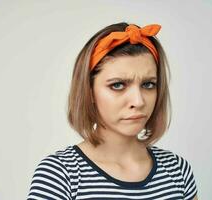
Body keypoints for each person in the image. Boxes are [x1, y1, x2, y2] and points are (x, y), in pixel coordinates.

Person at [27, 22, 198, 200]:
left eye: (148, 84)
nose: (138, 101)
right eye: (117, 85)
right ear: (89, 91)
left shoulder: (177, 170)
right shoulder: (60, 175)